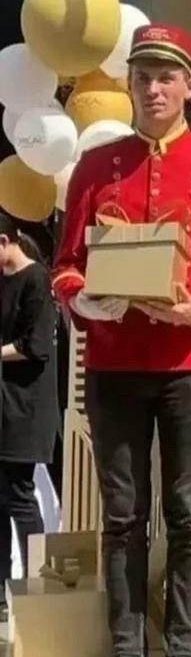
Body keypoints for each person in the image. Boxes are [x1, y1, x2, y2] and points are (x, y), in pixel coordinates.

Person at [52, 23, 191, 657]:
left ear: (189, 85)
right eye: (142, 76)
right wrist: (83, 299)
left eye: (166, 76)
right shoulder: (96, 165)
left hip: (190, 365)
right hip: (114, 361)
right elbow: (65, 265)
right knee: (121, 517)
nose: (153, 88)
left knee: (190, 513)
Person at [0, 212, 58, 621]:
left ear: (5, 241)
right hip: (4, 403)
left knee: (20, 495)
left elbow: (35, 346)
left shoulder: (36, 280)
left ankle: (34, 589)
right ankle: (2, 592)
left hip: (25, 407)